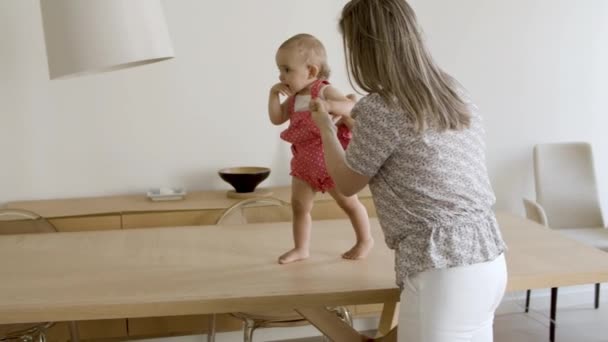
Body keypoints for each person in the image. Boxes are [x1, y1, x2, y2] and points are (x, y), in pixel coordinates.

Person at [309, 1, 508, 341]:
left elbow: (345, 183)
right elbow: (411, 148)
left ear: (364, 48)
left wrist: (325, 129)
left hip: (443, 272)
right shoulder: (450, 91)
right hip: (488, 260)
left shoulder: (381, 107)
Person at [268, 33, 374, 265]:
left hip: (331, 163)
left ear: (312, 72)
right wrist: (273, 95)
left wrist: (328, 105)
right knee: (299, 206)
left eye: (287, 70)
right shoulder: (294, 98)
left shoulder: (322, 90)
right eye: (279, 69)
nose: (281, 75)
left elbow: (351, 106)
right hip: (304, 164)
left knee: (348, 203)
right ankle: (301, 248)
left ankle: (365, 240)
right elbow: (277, 118)